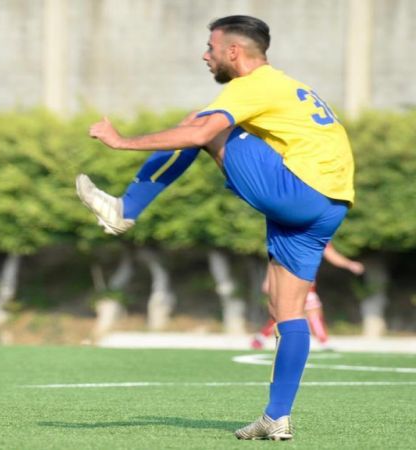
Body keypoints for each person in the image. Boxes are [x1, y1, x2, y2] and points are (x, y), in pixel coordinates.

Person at [76, 15, 354, 440]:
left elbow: (201, 131)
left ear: (233, 52)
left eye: (210, 47)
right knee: (287, 312)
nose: (205, 55)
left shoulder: (252, 84)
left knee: (199, 125)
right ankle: (276, 416)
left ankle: (125, 208)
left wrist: (121, 140)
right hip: (331, 203)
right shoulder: (287, 85)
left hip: (298, 189)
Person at [252, 242, 365, 351]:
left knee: (297, 310)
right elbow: (276, 256)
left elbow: (330, 253)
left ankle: (262, 337)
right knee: (293, 311)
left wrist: (349, 264)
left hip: (305, 281)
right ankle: (322, 341)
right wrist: (269, 279)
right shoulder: (295, 234)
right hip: (291, 279)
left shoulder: (315, 234)